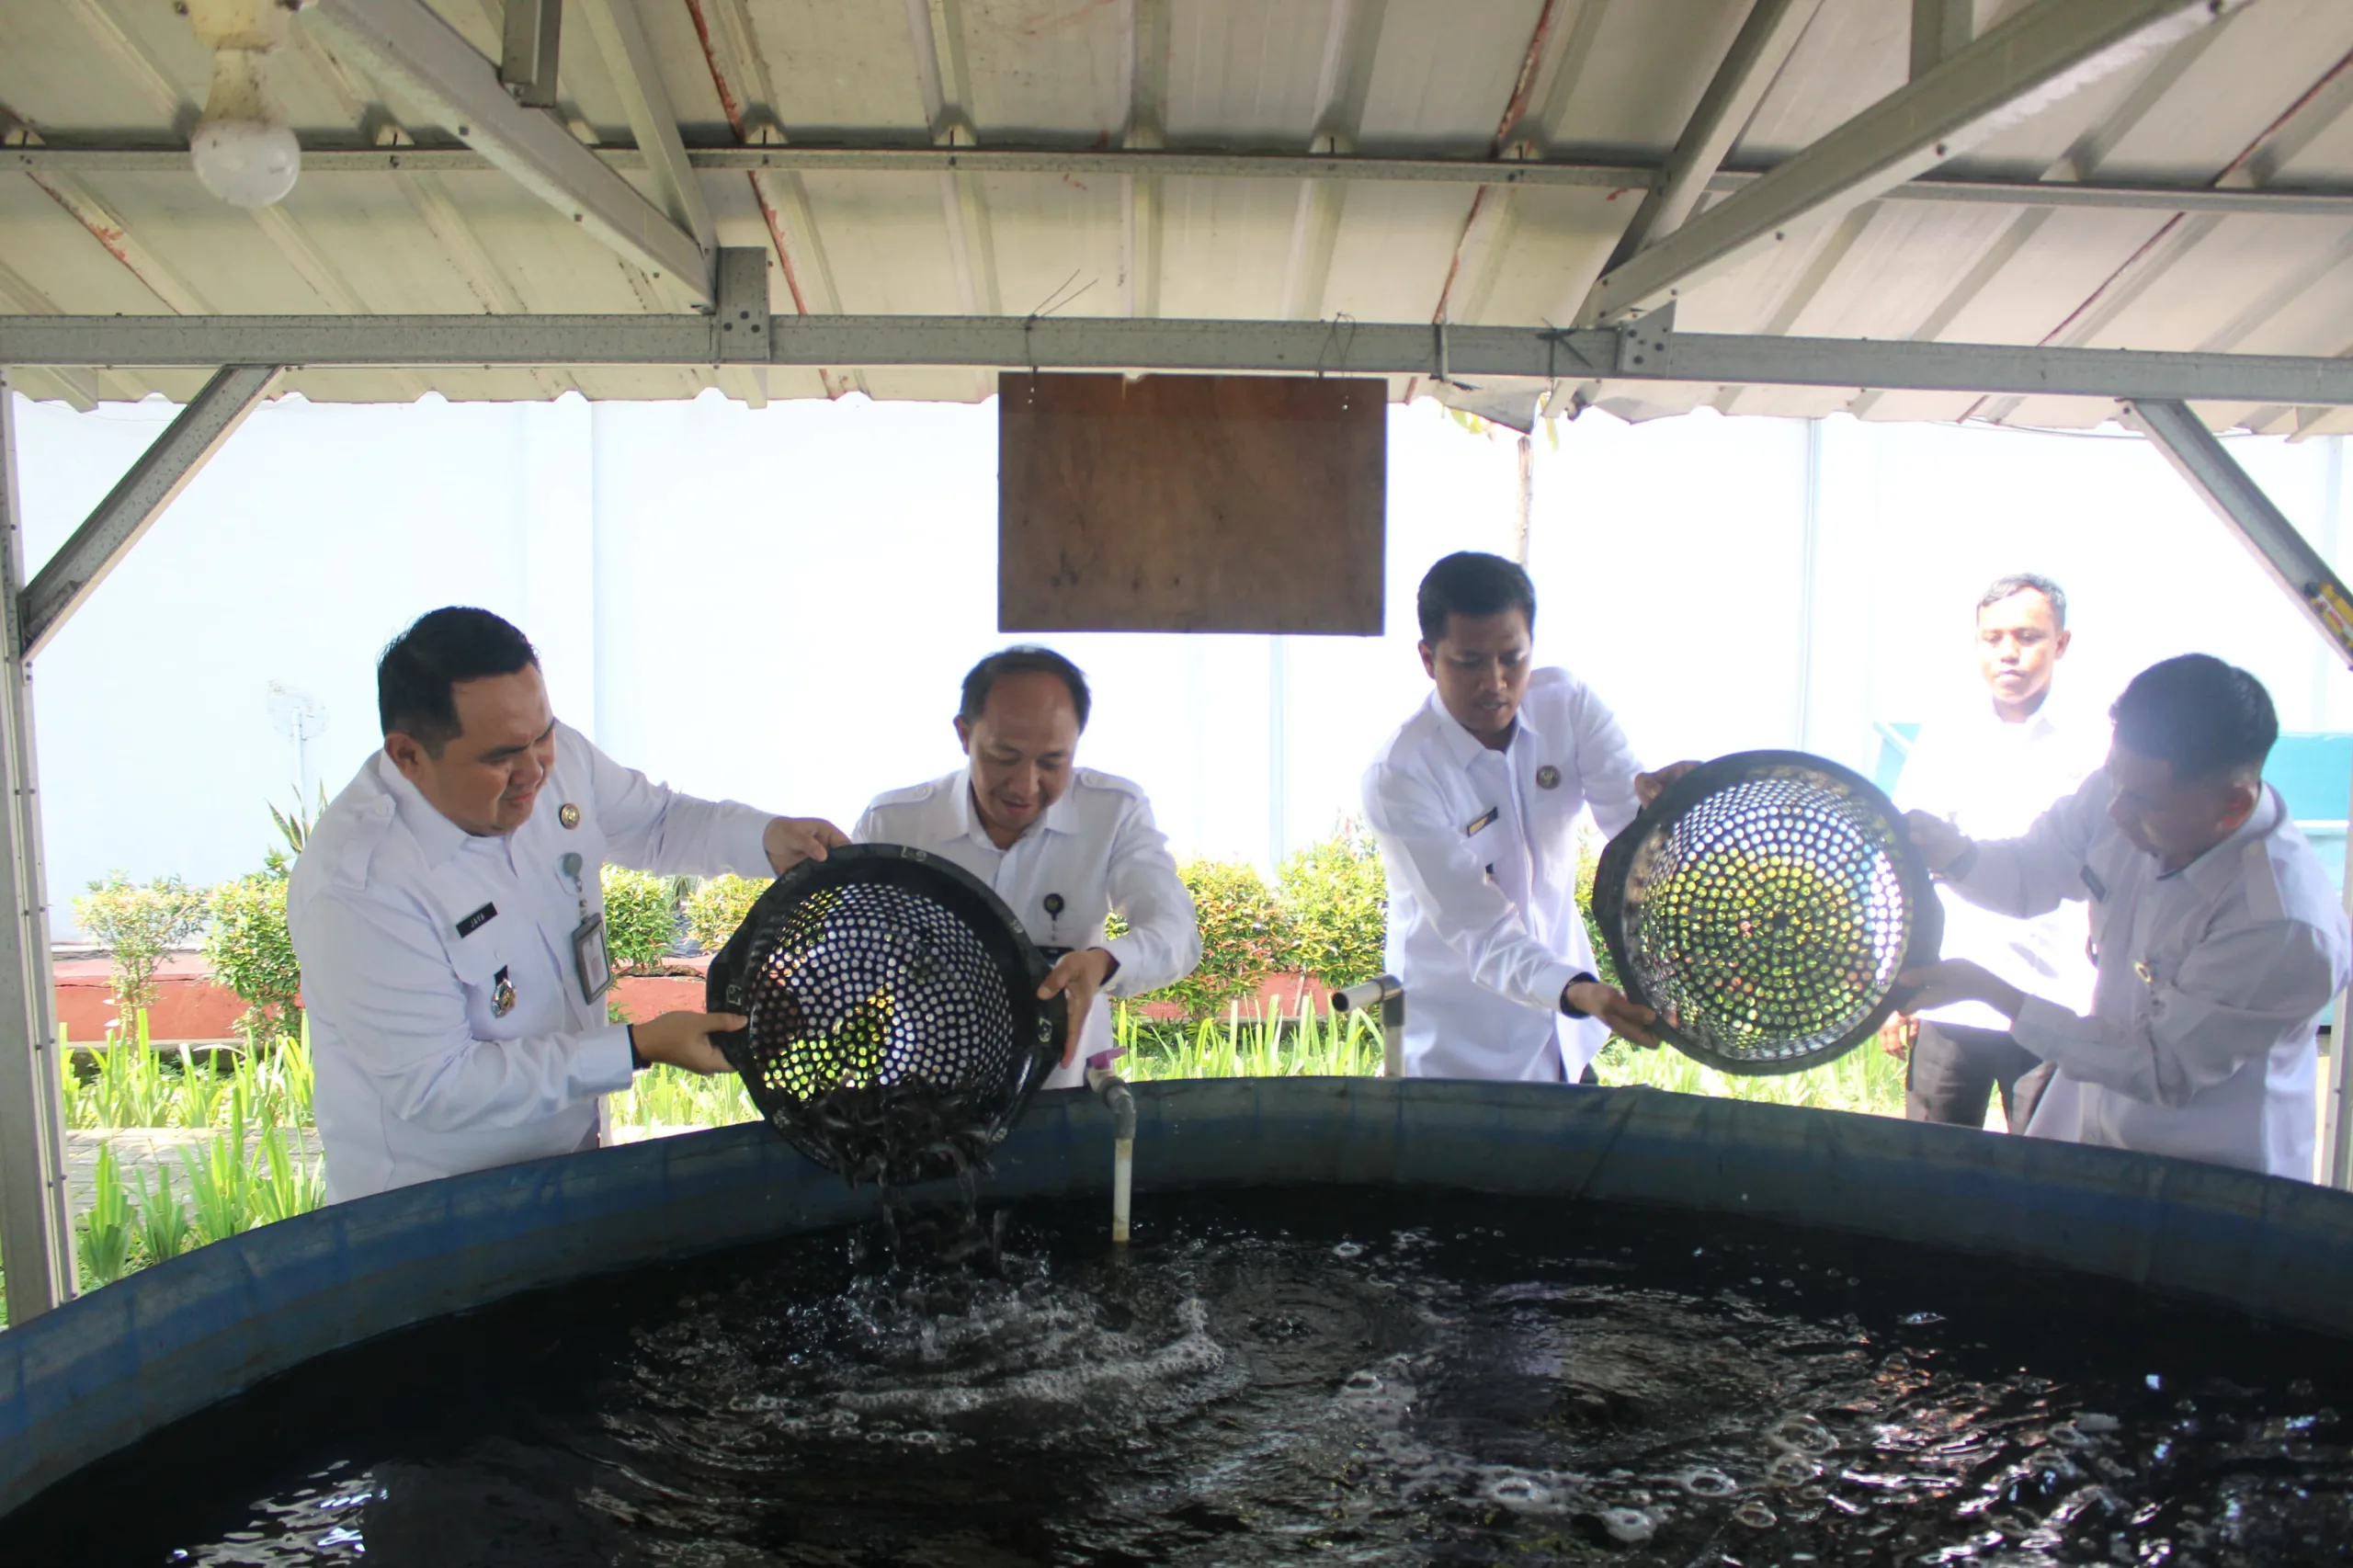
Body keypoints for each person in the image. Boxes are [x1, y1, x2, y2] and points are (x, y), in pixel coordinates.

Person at [290, 608, 848, 1202]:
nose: (535, 771)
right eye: (500, 755)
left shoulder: (558, 762)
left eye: (543, 735)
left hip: (571, 1163)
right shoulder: (359, 886)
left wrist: (768, 839)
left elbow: (655, 822)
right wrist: (637, 1047)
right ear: (408, 756)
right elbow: (439, 1086)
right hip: (435, 1209)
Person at [1899, 654, 2349, 1180]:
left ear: (2232, 806)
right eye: (2115, 781)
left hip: (2211, 1178)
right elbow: (2032, 869)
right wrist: (1955, 855)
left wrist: (1990, 990)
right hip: (2093, 1125)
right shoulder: (2122, 793)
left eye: (2140, 800)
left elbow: (2162, 1067)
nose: (2116, 812)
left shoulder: (2282, 923)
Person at [1360, 552, 1683, 1083]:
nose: (1496, 683)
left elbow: (1634, 834)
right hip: (1459, 1056)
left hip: (1567, 1041)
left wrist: (1676, 801)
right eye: (1468, 662)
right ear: (1427, 657)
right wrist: (1578, 990)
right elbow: (1482, 933)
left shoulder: (1568, 705)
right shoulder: (1400, 775)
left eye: (1513, 658)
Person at [853, 646, 1200, 1089]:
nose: (1025, 786)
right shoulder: (894, 823)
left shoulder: (1113, 812)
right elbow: (845, 952)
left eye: (1053, 762)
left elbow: (1175, 933)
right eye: (1004, 756)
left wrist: (1105, 963)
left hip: (1064, 1099)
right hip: (925, 1102)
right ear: (964, 735)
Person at [1882, 574, 2100, 1133]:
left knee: (2046, 1180)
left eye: (2027, 636)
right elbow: (1900, 868)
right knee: (1931, 1177)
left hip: (2054, 1003)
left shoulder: (2099, 742)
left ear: (2062, 643)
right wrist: (1894, 987)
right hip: (1950, 1000)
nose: (2008, 653)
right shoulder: (1945, 737)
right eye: (1992, 637)